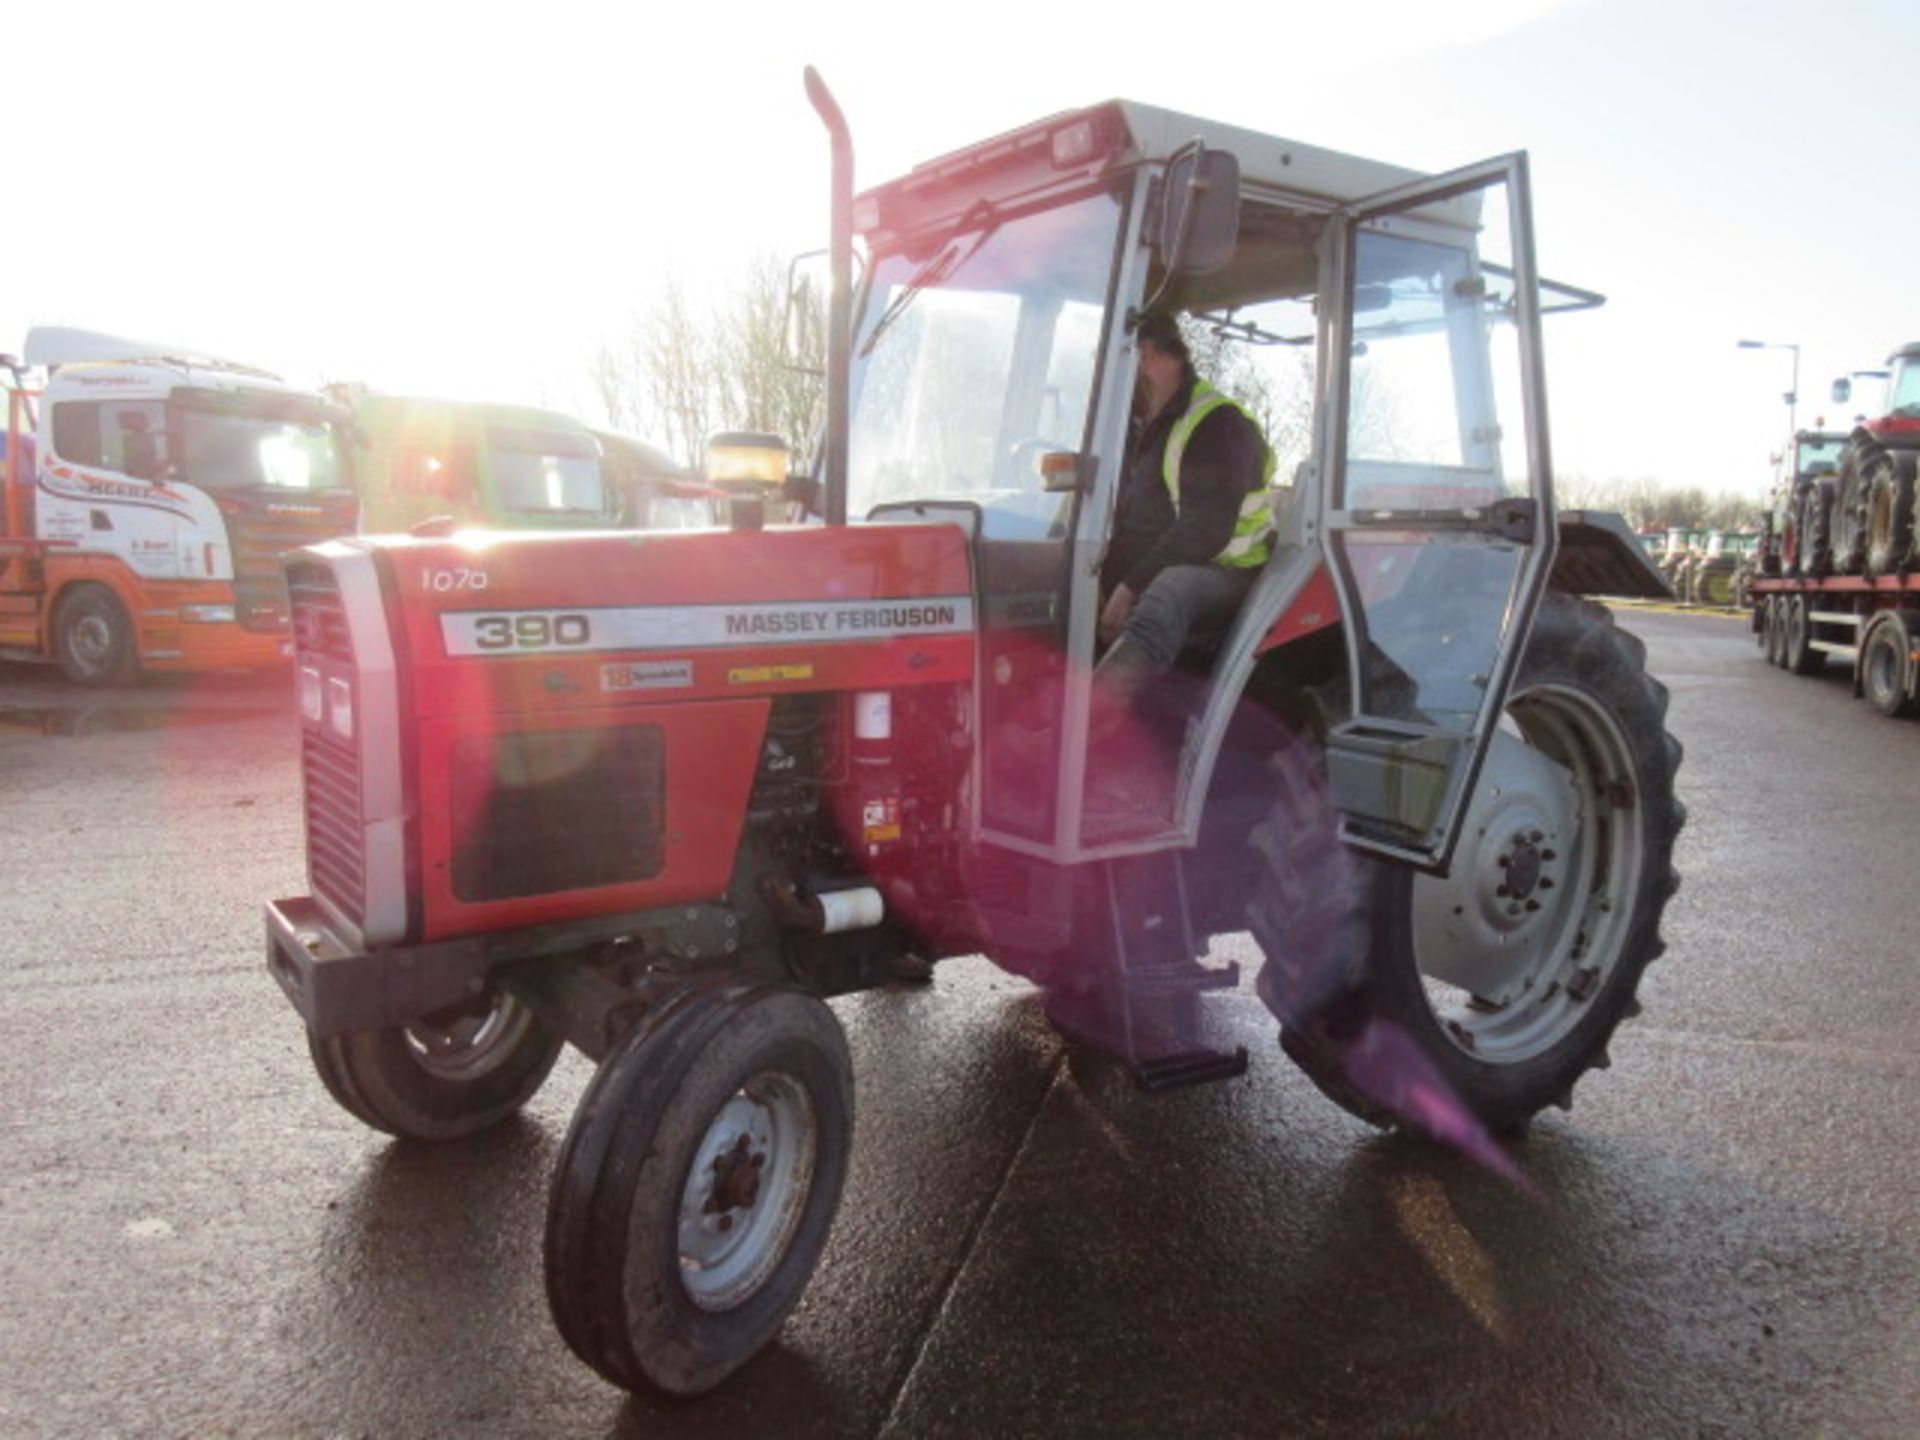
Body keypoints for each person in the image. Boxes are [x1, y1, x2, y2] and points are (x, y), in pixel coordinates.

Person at [1093, 310, 1276, 724]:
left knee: (1171, 588)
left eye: (1113, 367)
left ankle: (1092, 722)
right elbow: (1135, 522)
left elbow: (1204, 530)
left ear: (1147, 356)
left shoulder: (1219, 425)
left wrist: (1127, 587)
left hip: (1232, 571)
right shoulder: (1145, 429)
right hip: (1186, 560)